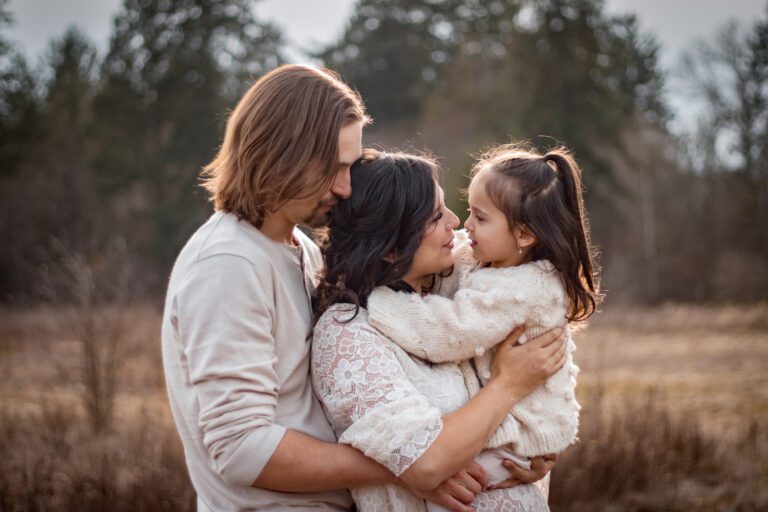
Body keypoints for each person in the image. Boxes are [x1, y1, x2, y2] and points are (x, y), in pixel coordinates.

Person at [162, 64, 395, 511]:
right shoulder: (228, 263)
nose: (345, 187)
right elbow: (242, 448)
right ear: (282, 153)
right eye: (334, 167)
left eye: (351, 167)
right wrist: (404, 464)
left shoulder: (297, 247)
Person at [311, 150, 568, 512]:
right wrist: (509, 385)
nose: (455, 221)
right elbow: (426, 461)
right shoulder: (349, 333)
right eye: (435, 216)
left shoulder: (453, 289)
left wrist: (538, 439)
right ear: (390, 245)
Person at [364, 144, 602, 508]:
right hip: (509, 428)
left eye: (481, 217)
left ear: (524, 235)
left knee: (439, 477)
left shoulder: (522, 288)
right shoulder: (492, 257)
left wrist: (379, 301)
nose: (464, 224)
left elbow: (449, 333)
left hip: (521, 441)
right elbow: (452, 255)